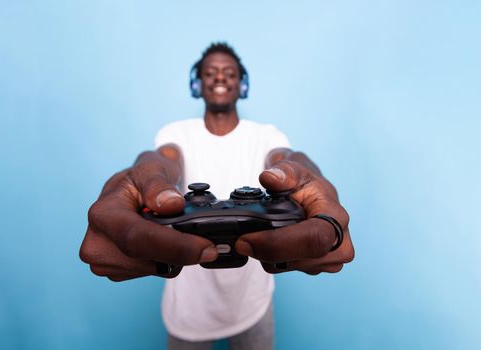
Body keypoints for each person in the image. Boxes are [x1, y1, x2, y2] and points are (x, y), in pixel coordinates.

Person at [79, 43, 355, 350]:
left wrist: (310, 175)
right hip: (188, 308)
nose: (219, 78)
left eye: (229, 73)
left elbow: (287, 158)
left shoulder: (265, 135)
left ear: (242, 84)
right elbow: (163, 158)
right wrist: (144, 173)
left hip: (252, 303)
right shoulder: (177, 133)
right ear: (196, 84)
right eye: (209, 73)